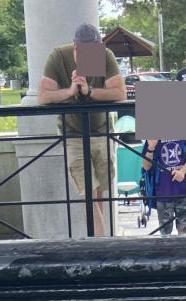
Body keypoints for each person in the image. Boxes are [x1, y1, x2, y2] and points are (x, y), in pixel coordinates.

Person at [37, 23, 126, 237]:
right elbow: (42, 97)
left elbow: (120, 93)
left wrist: (90, 91)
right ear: (75, 48)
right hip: (73, 134)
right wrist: (70, 91)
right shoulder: (58, 56)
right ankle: (104, 244)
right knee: (87, 192)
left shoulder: (105, 56)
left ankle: (98, 239)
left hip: (102, 130)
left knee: (99, 193)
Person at [142, 137, 186, 234]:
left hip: (183, 190)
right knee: (165, 233)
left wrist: (182, 172)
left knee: (183, 231)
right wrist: (150, 148)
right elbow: (146, 167)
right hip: (163, 191)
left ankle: (182, 250)